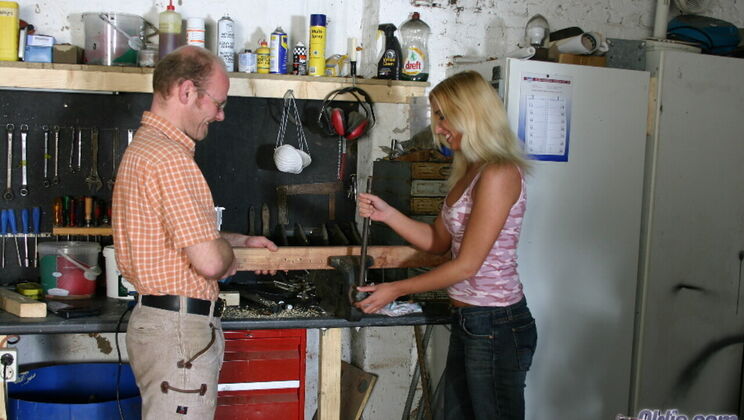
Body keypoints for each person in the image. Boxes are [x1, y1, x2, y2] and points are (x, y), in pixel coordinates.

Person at [355, 70, 537, 420]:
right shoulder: (470, 170)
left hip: (496, 323)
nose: (438, 128)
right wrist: (387, 214)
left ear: (471, 113)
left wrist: (396, 289)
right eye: (436, 116)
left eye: (443, 115)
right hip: (470, 319)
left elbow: (467, 265)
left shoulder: (499, 173)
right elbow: (438, 242)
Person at [112, 45, 278, 419]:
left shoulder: (147, 148)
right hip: (179, 332)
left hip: (166, 327)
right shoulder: (170, 159)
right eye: (217, 103)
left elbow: (181, 235)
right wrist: (228, 257)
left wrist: (240, 242)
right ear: (187, 91)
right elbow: (209, 262)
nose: (220, 115)